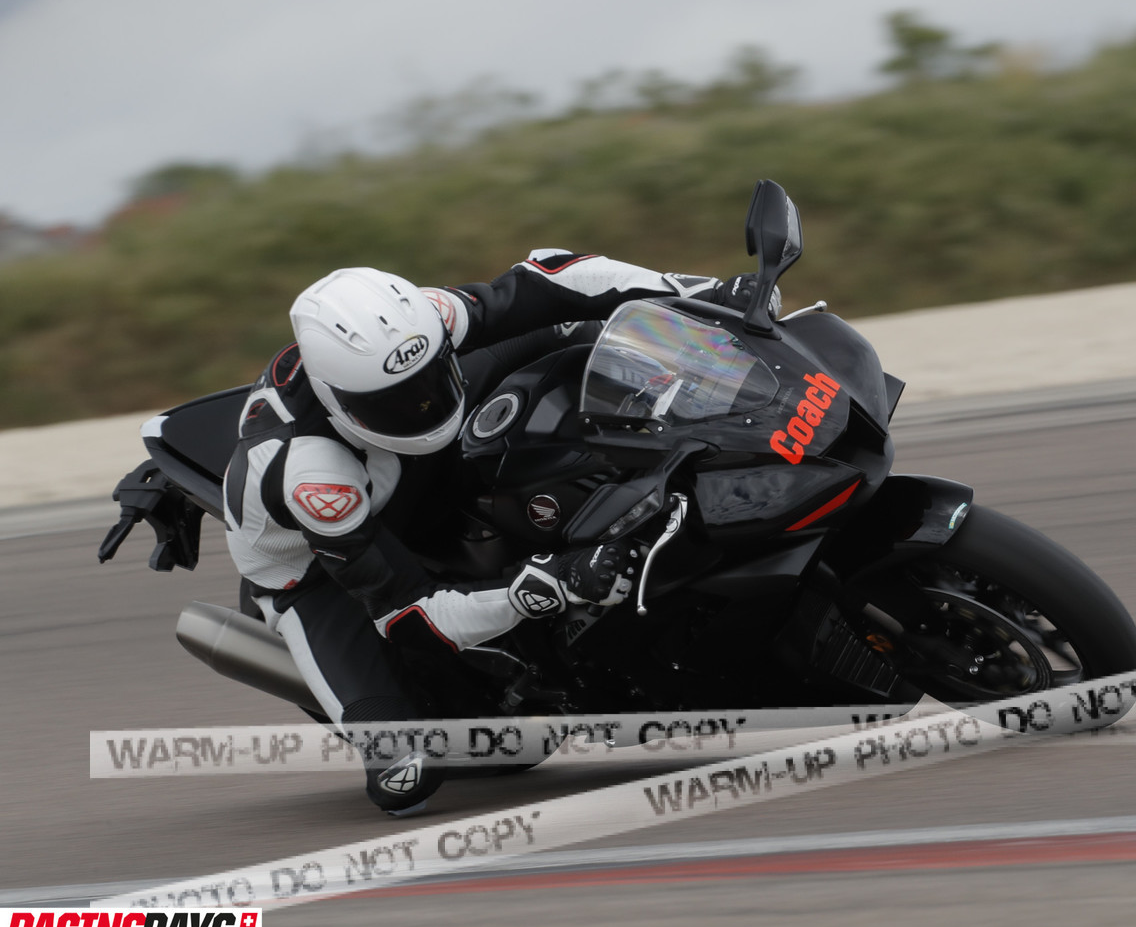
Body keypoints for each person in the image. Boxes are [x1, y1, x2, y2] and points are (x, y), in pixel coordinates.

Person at [221, 249, 767, 814]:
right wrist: (547, 587)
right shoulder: (312, 477)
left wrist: (697, 293)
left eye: (428, 379)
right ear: (337, 399)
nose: (422, 406)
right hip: (318, 566)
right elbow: (410, 614)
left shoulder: (421, 325)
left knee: (570, 329)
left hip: (402, 460)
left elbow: (545, 279)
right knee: (405, 775)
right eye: (395, 402)